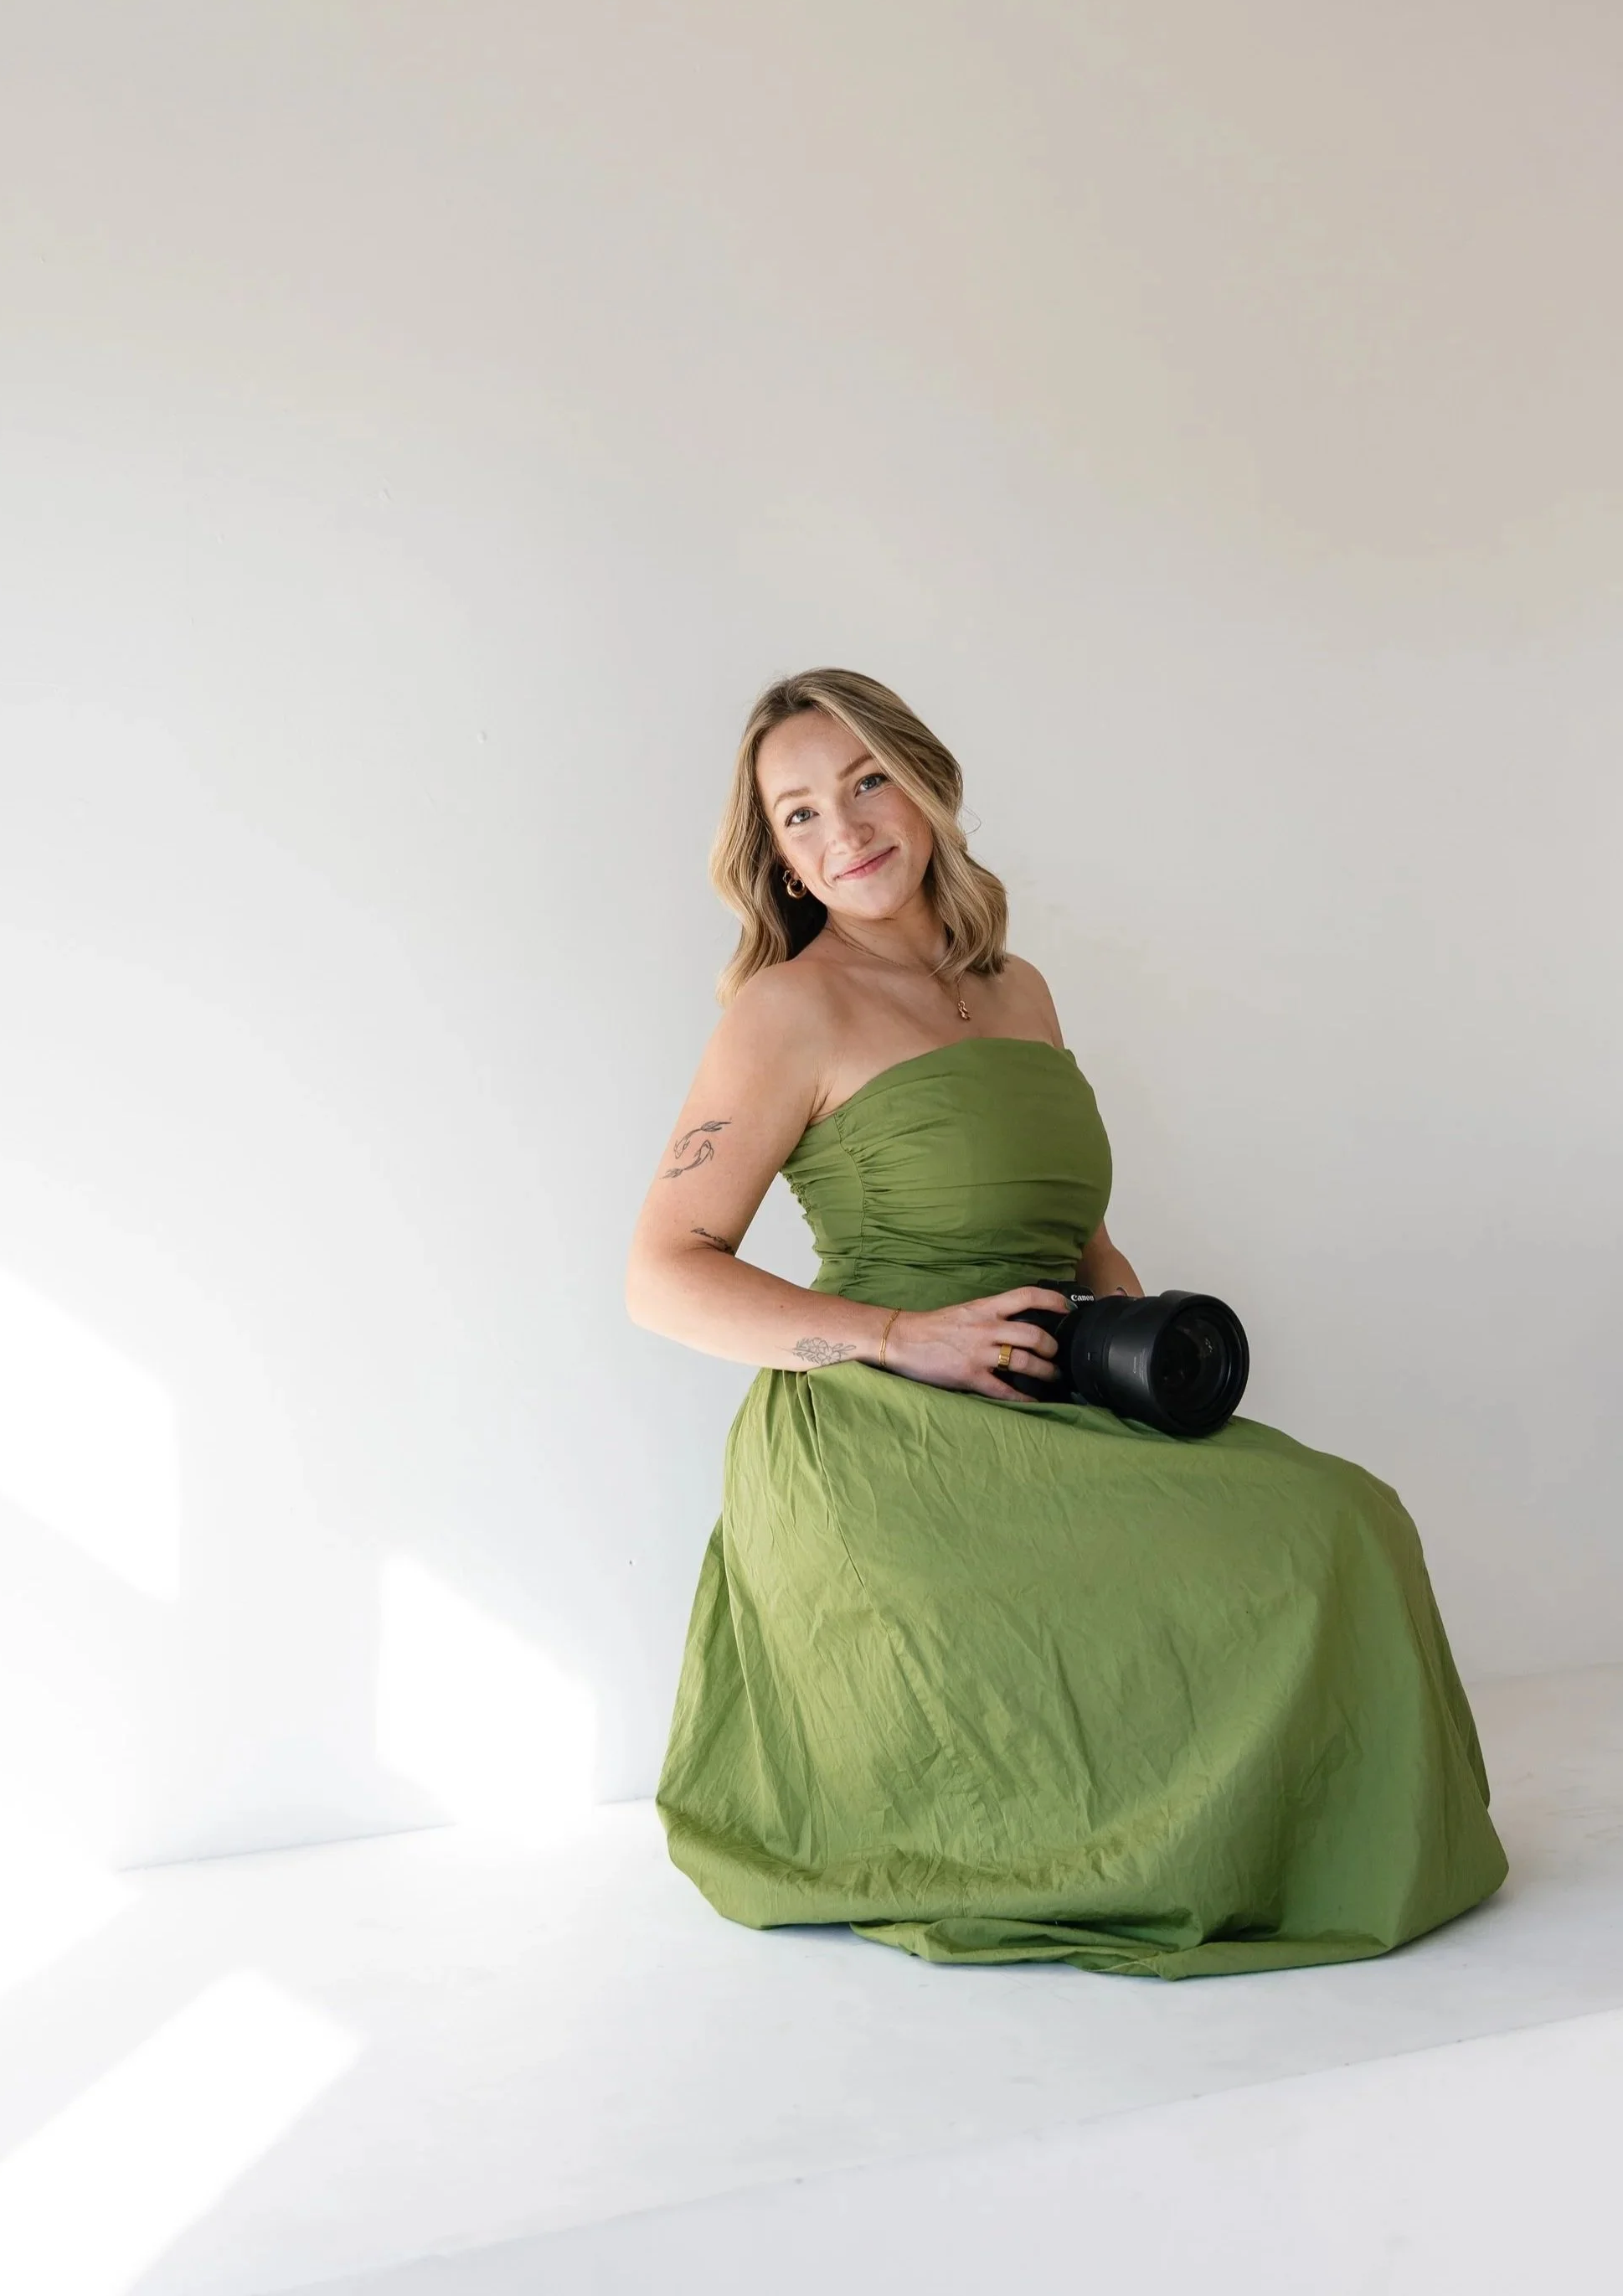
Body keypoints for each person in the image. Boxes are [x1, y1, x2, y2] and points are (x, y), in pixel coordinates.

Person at [627, 668, 1507, 1978]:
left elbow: (1079, 1234)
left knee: (1344, 1514)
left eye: (867, 782)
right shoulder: (787, 1011)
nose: (844, 829)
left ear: (927, 787)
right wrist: (901, 1338)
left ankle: (1267, 1846)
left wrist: (1141, 1341)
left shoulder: (1017, 989)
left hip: (1052, 1390)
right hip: (882, 1441)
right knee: (1315, 1530)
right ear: (778, 854)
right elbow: (662, 1274)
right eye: (799, 813)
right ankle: (1177, 1853)